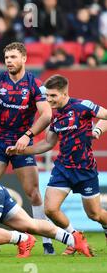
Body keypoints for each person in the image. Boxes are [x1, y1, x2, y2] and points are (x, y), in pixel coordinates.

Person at [6, 74, 107, 254]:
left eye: (53, 96)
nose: (49, 100)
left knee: (95, 214)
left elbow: (106, 115)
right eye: (47, 96)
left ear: (64, 94)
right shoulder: (55, 116)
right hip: (63, 169)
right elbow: (47, 144)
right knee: (51, 209)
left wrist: (98, 129)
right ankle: (76, 237)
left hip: (85, 169)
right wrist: (20, 150)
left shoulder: (82, 106)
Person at [0, 42, 55, 255]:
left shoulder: (35, 84)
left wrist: (27, 136)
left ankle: (47, 239)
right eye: (6, 58)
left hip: (22, 144)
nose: (9, 61)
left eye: (13, 57)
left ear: (24, 59)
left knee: (33, 193)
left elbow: (47, 114)